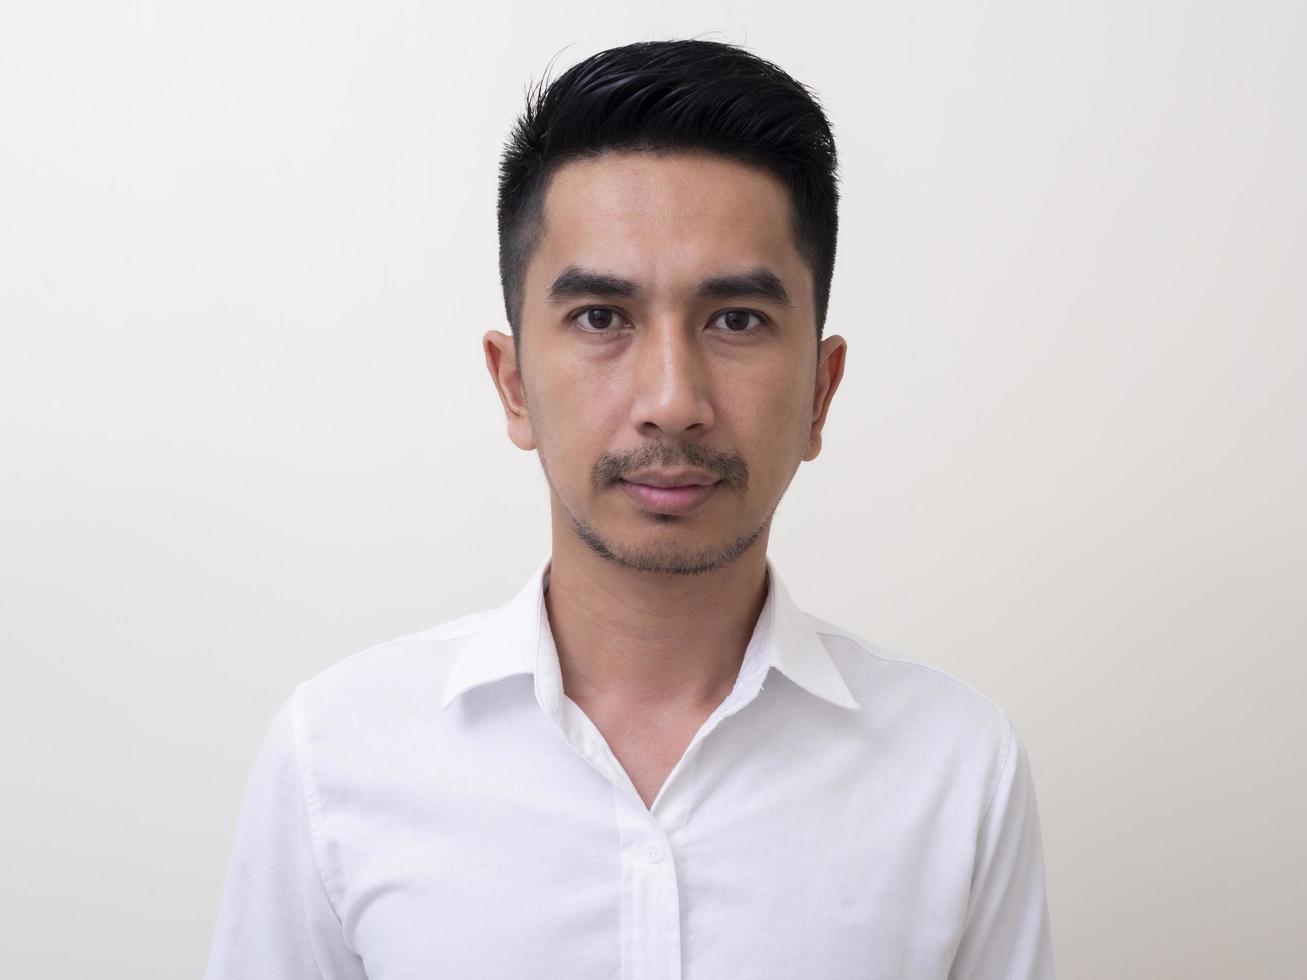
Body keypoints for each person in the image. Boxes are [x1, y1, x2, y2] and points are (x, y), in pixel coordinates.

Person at [203, 38, 1054, 980]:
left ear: (820, 389)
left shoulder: (954, 766)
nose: (671, 397)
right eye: (601, 318)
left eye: (735, 319)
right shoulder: (338, 755)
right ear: (513, 383)